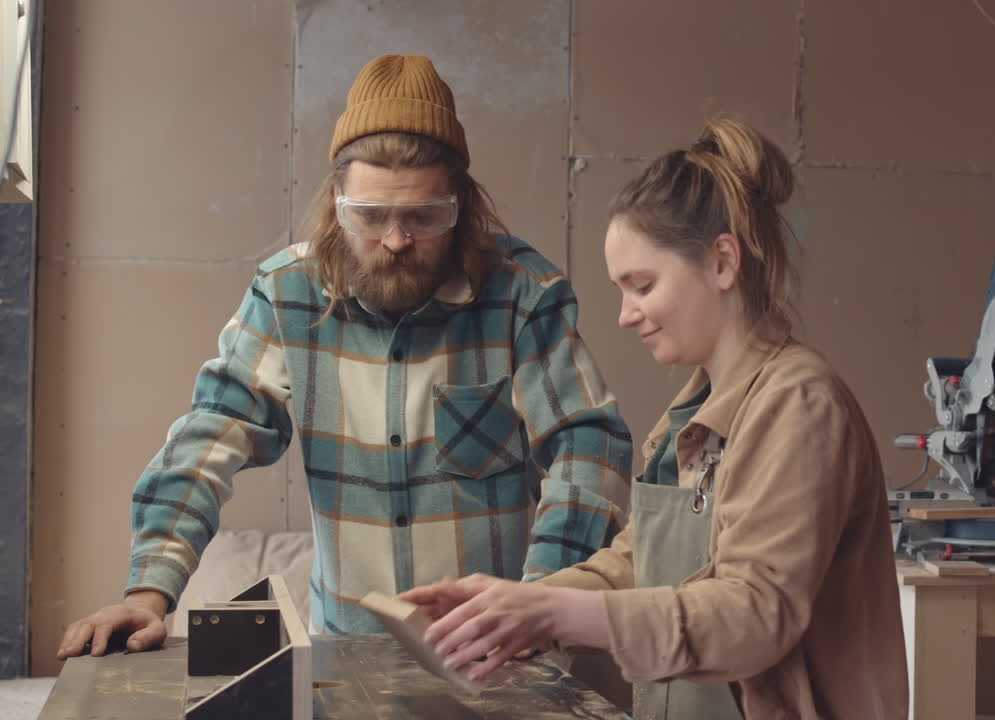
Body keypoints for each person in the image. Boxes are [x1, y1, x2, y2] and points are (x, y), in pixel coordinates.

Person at [56, 54, 632, 659]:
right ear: (336, 200)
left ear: (461, 204)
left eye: (424, 216)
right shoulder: (284, 294)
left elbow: (587, 446)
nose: (396, 240)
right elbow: (208, 438)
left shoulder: (522, 294)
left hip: (498, 653)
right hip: (345, 654)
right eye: (371, 216)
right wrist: (150, 592)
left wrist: (541, 600)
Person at [400, 119, 909, 719]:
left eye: (641, 285)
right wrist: (517, 607)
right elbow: (642, 563)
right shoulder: (690, 417)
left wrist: (554, 613)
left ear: (722, 261)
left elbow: (755, 614)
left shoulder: (798, 405)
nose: (625, 314)